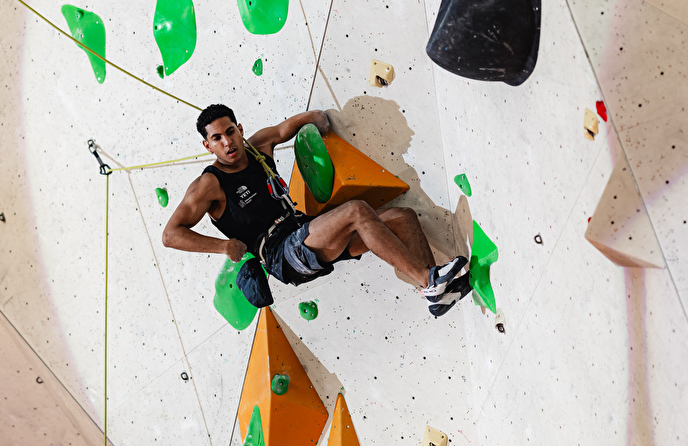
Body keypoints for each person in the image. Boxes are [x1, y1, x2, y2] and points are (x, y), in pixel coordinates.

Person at [161, 104, 472, 316]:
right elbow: (170, 235)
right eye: (217, 138)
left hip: (304, 232)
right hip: (281, 254)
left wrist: (319, 120)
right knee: (356, 212)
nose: (227, 142)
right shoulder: (209, 185)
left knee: (402, 218)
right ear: (208, 146)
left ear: (239, 129)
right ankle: (430, 282)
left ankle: (438, 296)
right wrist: (223, 246)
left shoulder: (257, 147)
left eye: (230, 131)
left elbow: (292, 126)